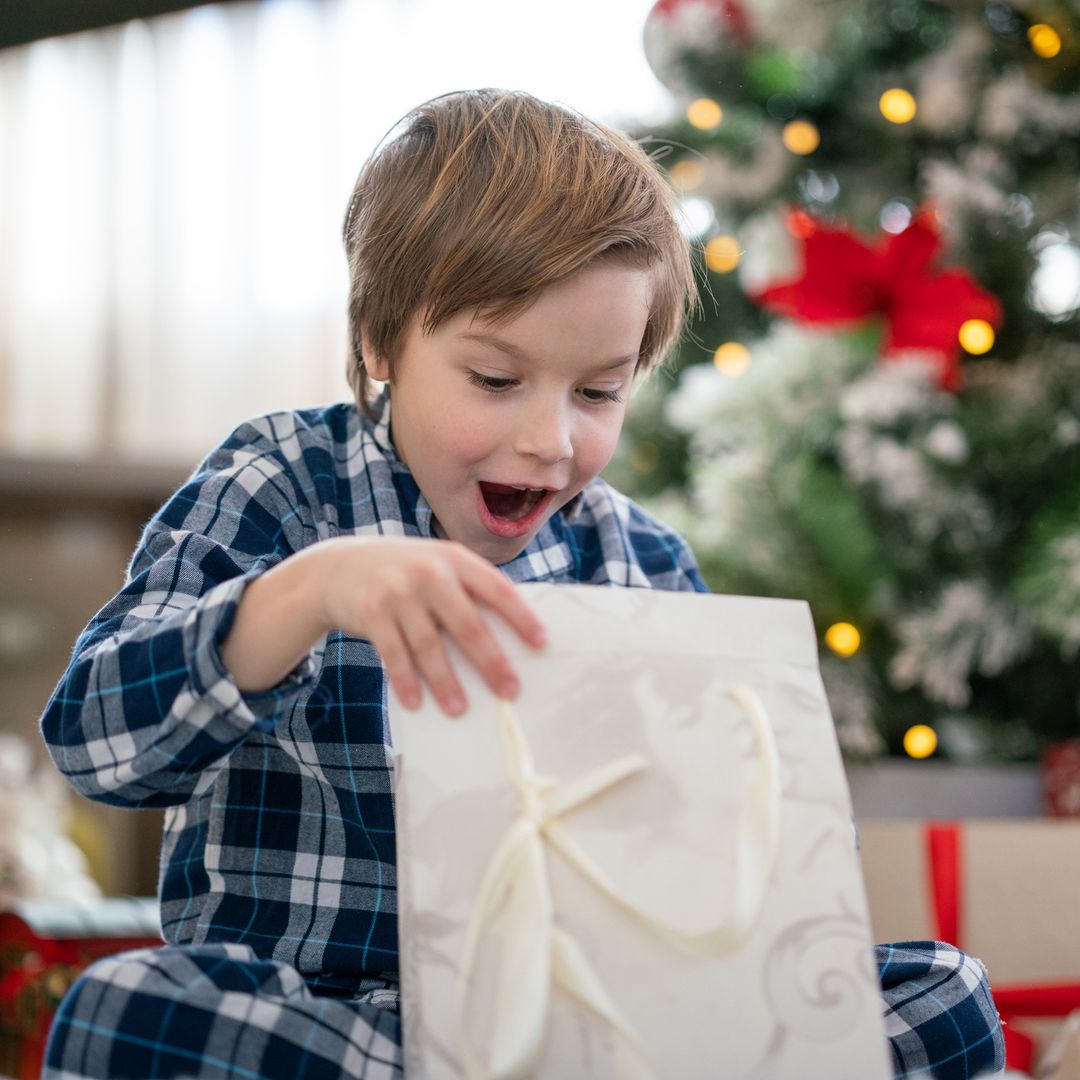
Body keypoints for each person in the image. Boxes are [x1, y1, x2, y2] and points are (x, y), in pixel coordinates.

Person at [39, 89, 1003, 1079]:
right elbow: (94, 746)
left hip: (593, 1018)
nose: (550, 441)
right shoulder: (278, 487)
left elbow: (761, 862)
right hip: (343, 1024)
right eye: (495, 381)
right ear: (381, 343)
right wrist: (306, 596)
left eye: (598, 392)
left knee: (952, 998)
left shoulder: (643, 563)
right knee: (125, 1015)